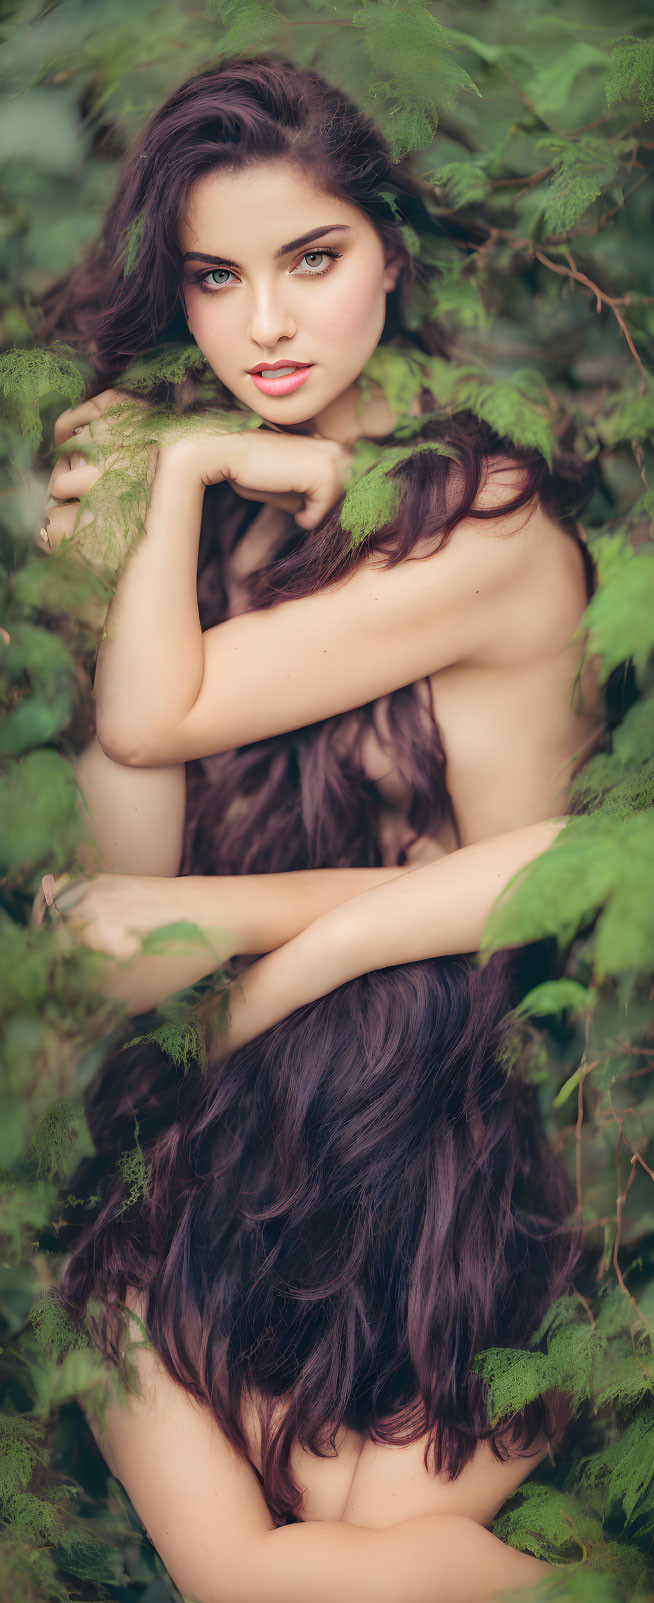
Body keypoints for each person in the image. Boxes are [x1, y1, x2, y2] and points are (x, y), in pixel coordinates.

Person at [36, 53, 604, 928]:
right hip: (254, 1033)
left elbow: (148, 728)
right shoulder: (231, 497)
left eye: (312, 260)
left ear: (389, 254)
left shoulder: (485, 515)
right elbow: (121, 874)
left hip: (429, 1034)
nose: (266, 325)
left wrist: (180, 460)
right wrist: (160, 495)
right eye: (217, 276)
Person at [58, 939, 580, 1603]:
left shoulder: (502, 1279)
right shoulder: (123, 1280)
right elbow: (242, 1583)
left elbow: (370, 1541)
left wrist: (257, 1428)